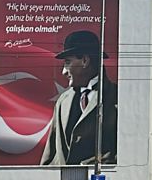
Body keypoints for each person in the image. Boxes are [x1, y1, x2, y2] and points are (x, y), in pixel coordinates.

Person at [40, 29, 118, 167]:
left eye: (68, 62)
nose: (63, 71)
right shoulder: (63, 101)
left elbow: (123, 150)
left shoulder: (117, 98)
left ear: (85, 60)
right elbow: (50, 152)